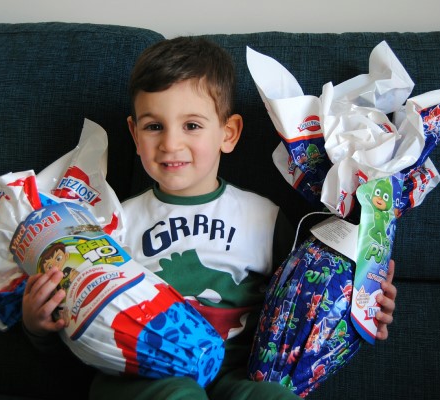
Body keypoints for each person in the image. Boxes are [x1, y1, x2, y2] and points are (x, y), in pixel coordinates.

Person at [22, 36, 397, 399]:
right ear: (135, 136)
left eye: (192, 125)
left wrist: (359, 306)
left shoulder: (264, 218)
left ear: (228, 133)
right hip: (141, 379)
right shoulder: (112, 223)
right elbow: (85, 330)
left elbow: (307, 301)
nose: (170, 143)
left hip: (234, 376)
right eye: (154, 127)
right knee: (178, 393)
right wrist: (38, 326)